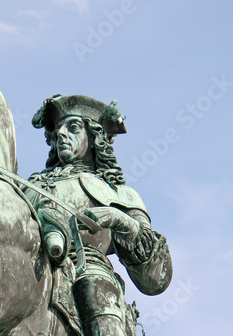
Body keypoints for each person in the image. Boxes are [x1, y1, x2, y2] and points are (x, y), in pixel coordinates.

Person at [25, 94, 173, 336]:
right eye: (58, 129)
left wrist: (118, 219)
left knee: (96, 290)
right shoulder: (31, 186)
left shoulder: (120, 193)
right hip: (28, 258)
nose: (61, 134)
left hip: (88, 269)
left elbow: (155, 278)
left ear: (94, 138)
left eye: (73, 128)